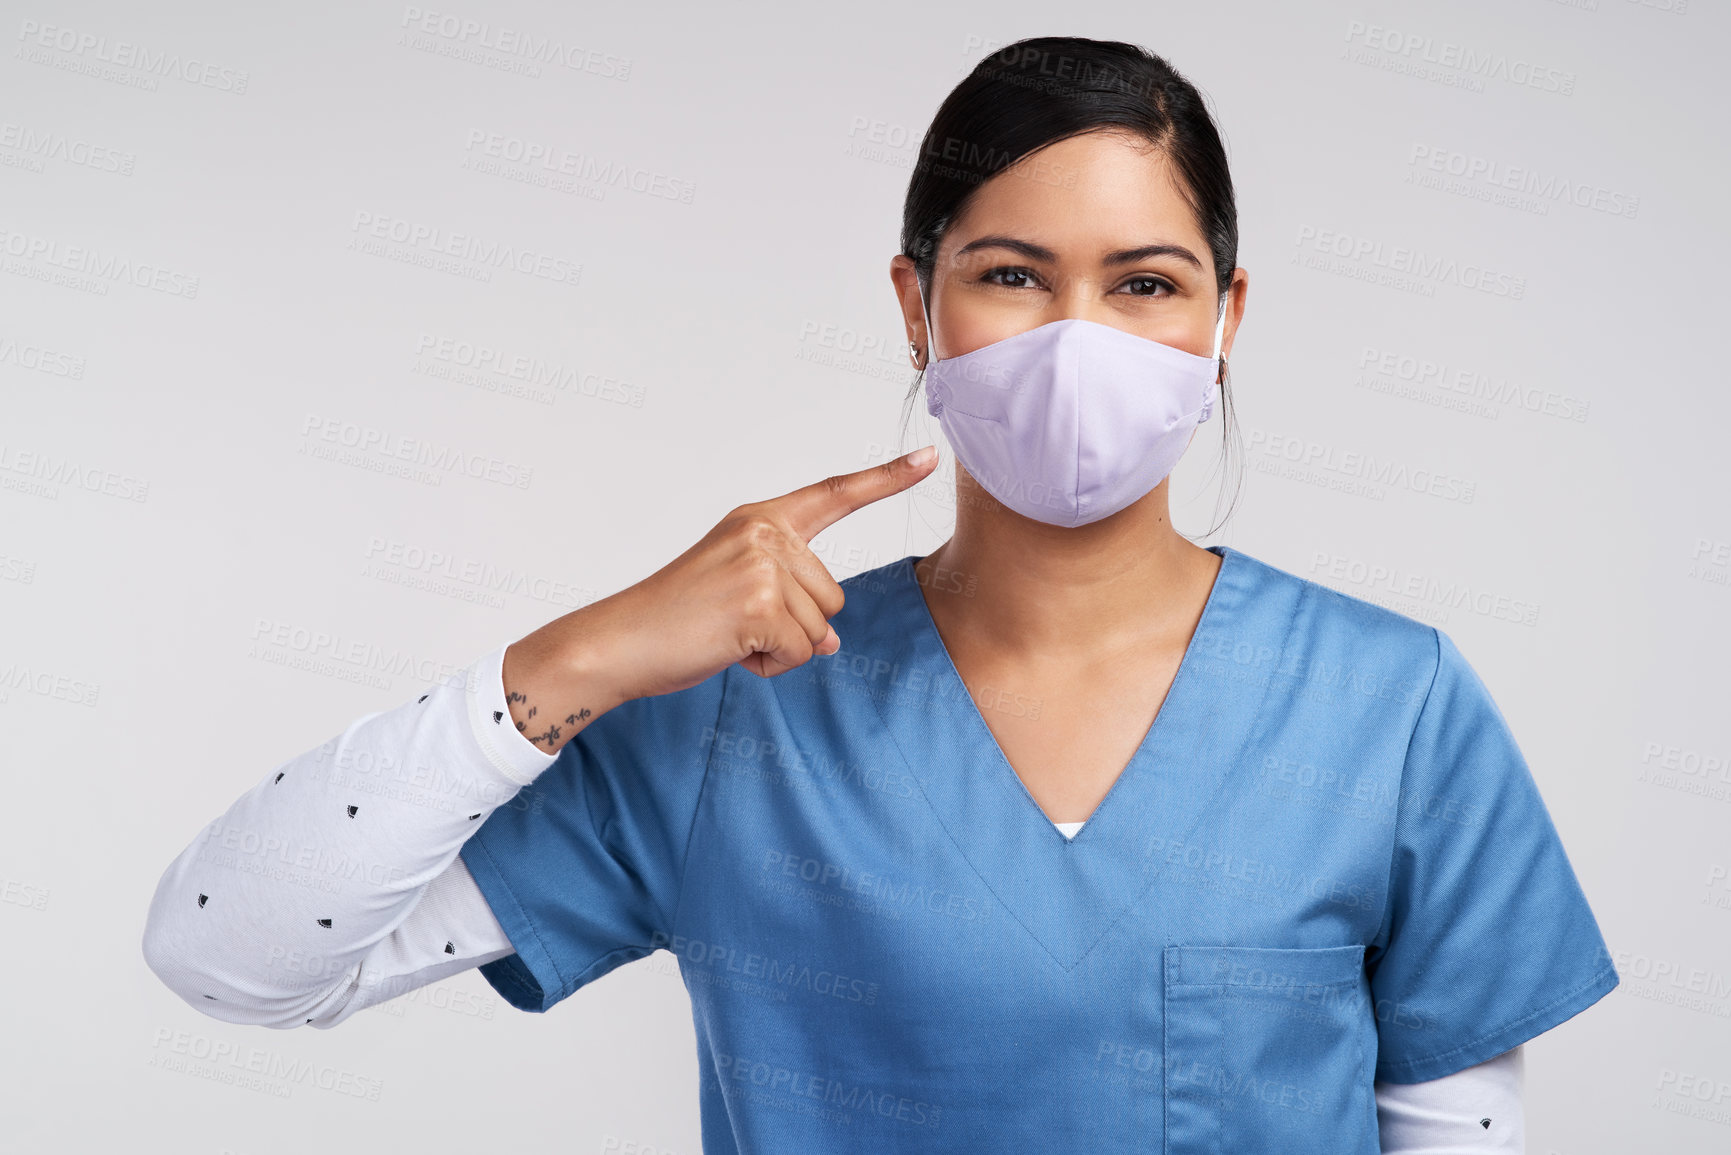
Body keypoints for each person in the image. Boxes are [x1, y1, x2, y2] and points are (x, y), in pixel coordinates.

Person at [142, 36, 1616, 1152]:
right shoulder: (740, 715)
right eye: (1015, 276)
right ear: (918, 306)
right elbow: (232, 960)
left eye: (1148, 283)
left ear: (1226, 318)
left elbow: (1453, 1125)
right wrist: (575, 659)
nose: (1079, 338)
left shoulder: (1386, 704)